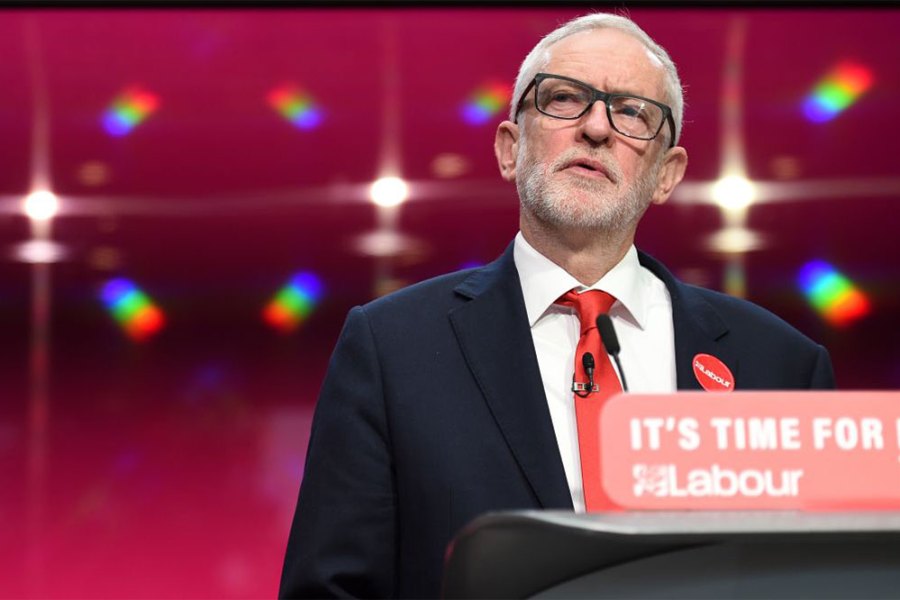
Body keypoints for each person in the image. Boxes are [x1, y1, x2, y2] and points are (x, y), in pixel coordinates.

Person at [279, 12, 835, 599]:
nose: (597, 128)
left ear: (667, 175)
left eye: (632, 113)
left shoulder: (780, 367)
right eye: (565, 99)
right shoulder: (391, 350)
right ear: (509, 149)